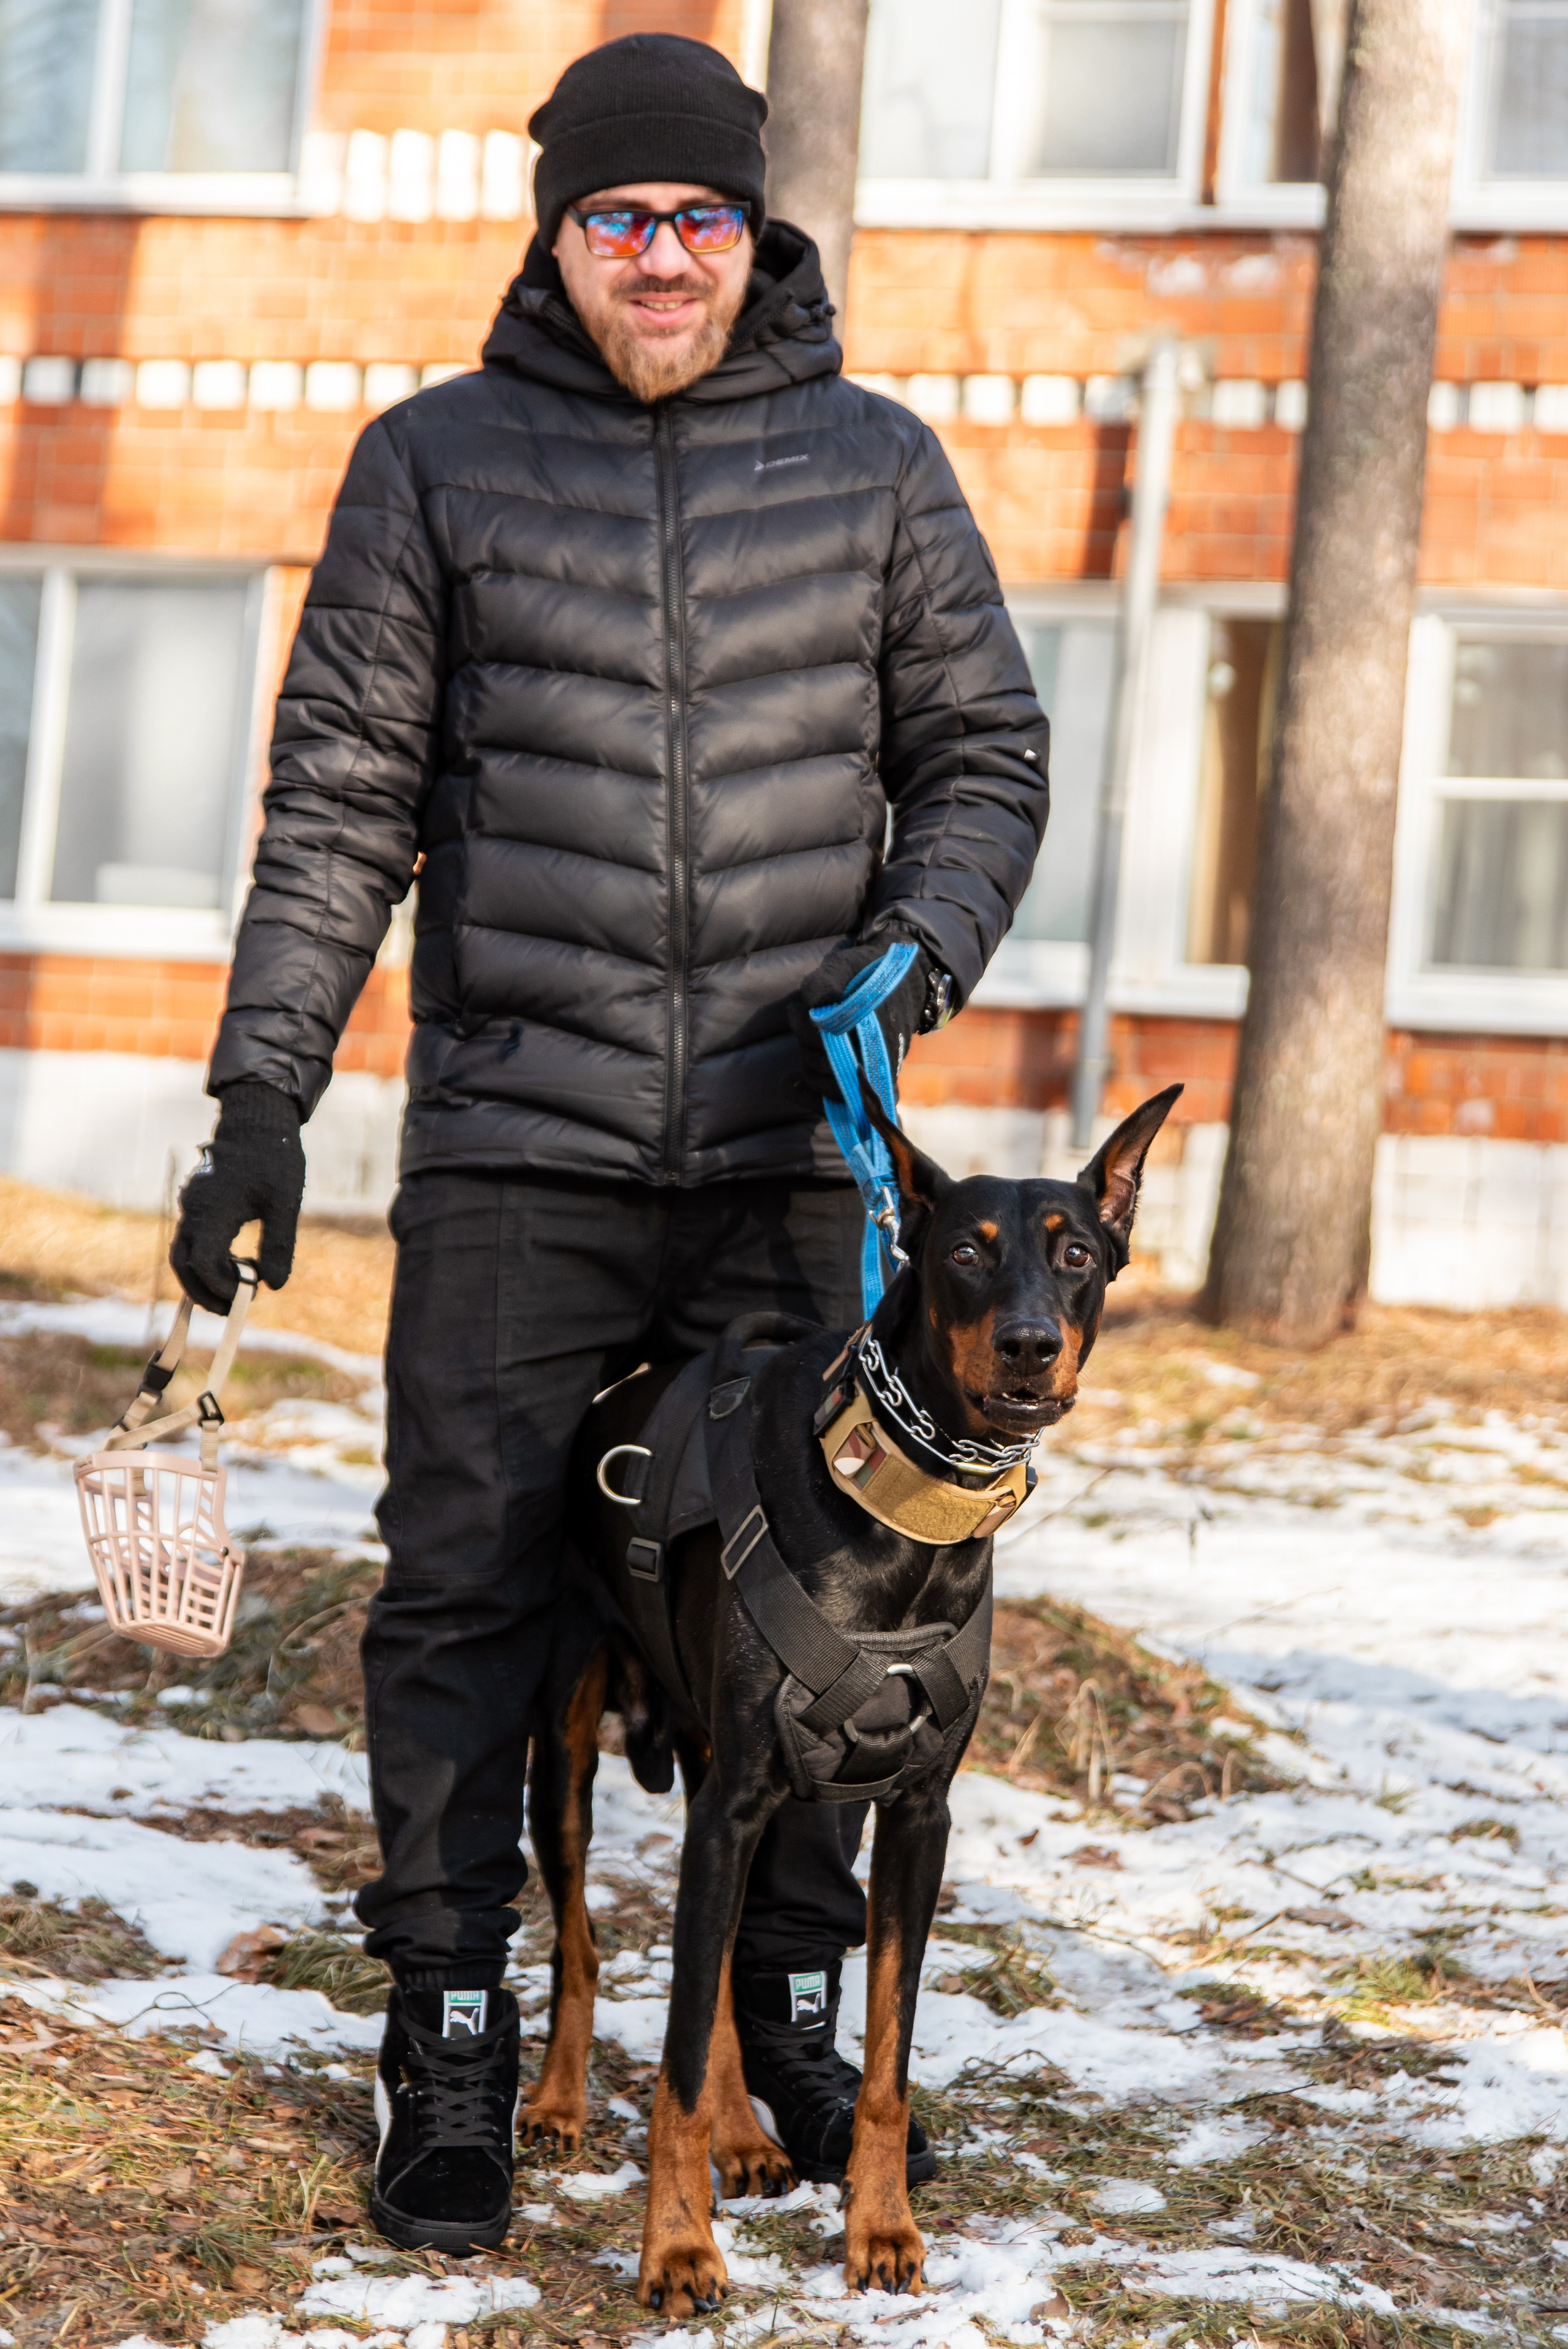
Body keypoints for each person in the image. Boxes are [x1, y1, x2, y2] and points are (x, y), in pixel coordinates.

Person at [171, 30, 1049, 2257]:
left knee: (827, 1604)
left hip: (790, 1160)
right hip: (514, 1149)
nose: (661, 258)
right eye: (618, 218)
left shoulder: (877, 468)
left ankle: (786, 2016)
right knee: (464, 1585)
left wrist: (911, 959)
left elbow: (983, 762)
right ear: (555, 235)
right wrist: (263, 1091)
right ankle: (455, 2034)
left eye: (700, 219)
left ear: (758, 239)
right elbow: (342, 805)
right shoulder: (433, 465)